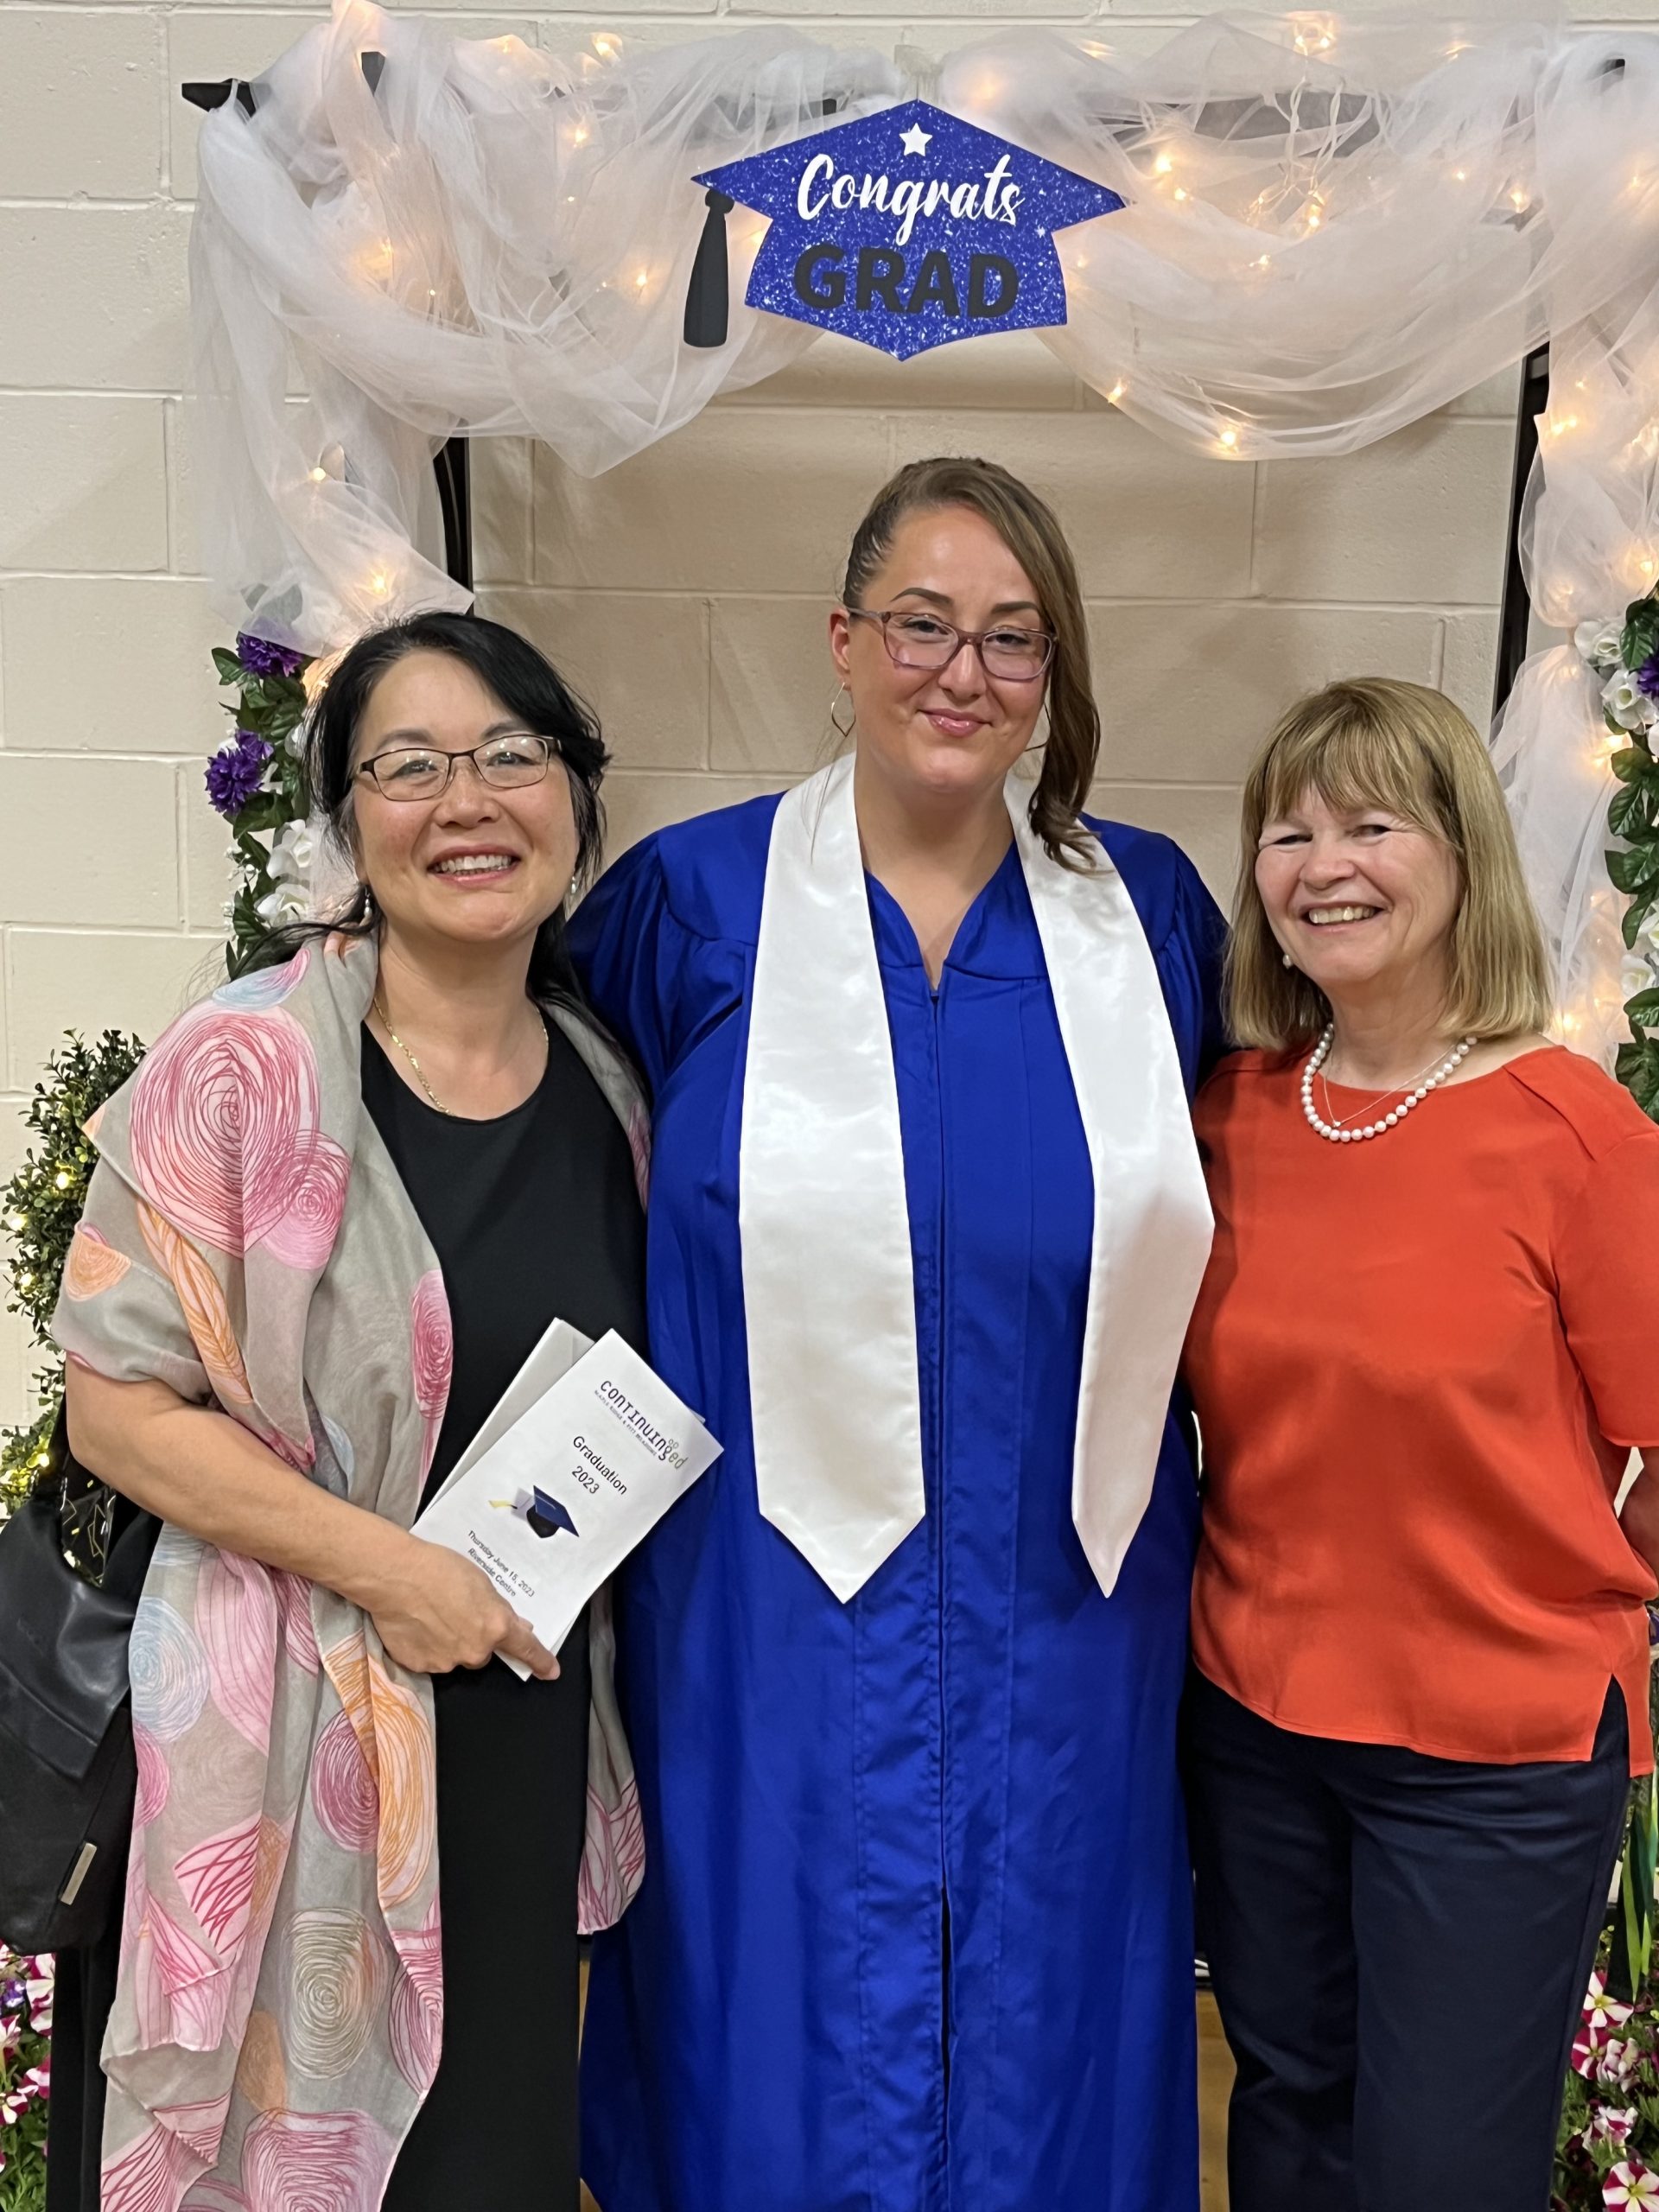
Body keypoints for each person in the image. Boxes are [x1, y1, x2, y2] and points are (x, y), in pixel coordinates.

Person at [567, 454, 1225, 2212]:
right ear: (843, 641)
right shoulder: (689, 905)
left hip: (1071, 1598)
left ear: (1055, 676)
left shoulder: (1144, 915)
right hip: (761, 1609)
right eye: (924, 624)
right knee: (769, 2021)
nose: (964, 670)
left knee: (1057, 2024)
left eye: (1015, 639)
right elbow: (544, 1142)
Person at [48, 612, 648, 2212]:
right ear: (348, 822)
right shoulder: (244, 1069)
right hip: (287, 1723)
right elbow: (113, 1411)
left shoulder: (610, 1084)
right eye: (409, 765)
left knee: (491, 2162)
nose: (468, 800)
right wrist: (394, 1571)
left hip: (516, 1735)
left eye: (512, 755)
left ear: (576, 800)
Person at [1180, 677, 1659, 2212]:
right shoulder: (1228, 1117)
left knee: (1441, 2168)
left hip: (1495, 1754)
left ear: (1460, 854)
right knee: (1292, 2114)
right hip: (1255, 1723)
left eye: (1373, 823)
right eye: (1288, 828)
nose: (1325, 862)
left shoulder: (1573, 1133)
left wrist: (1564, 1604)